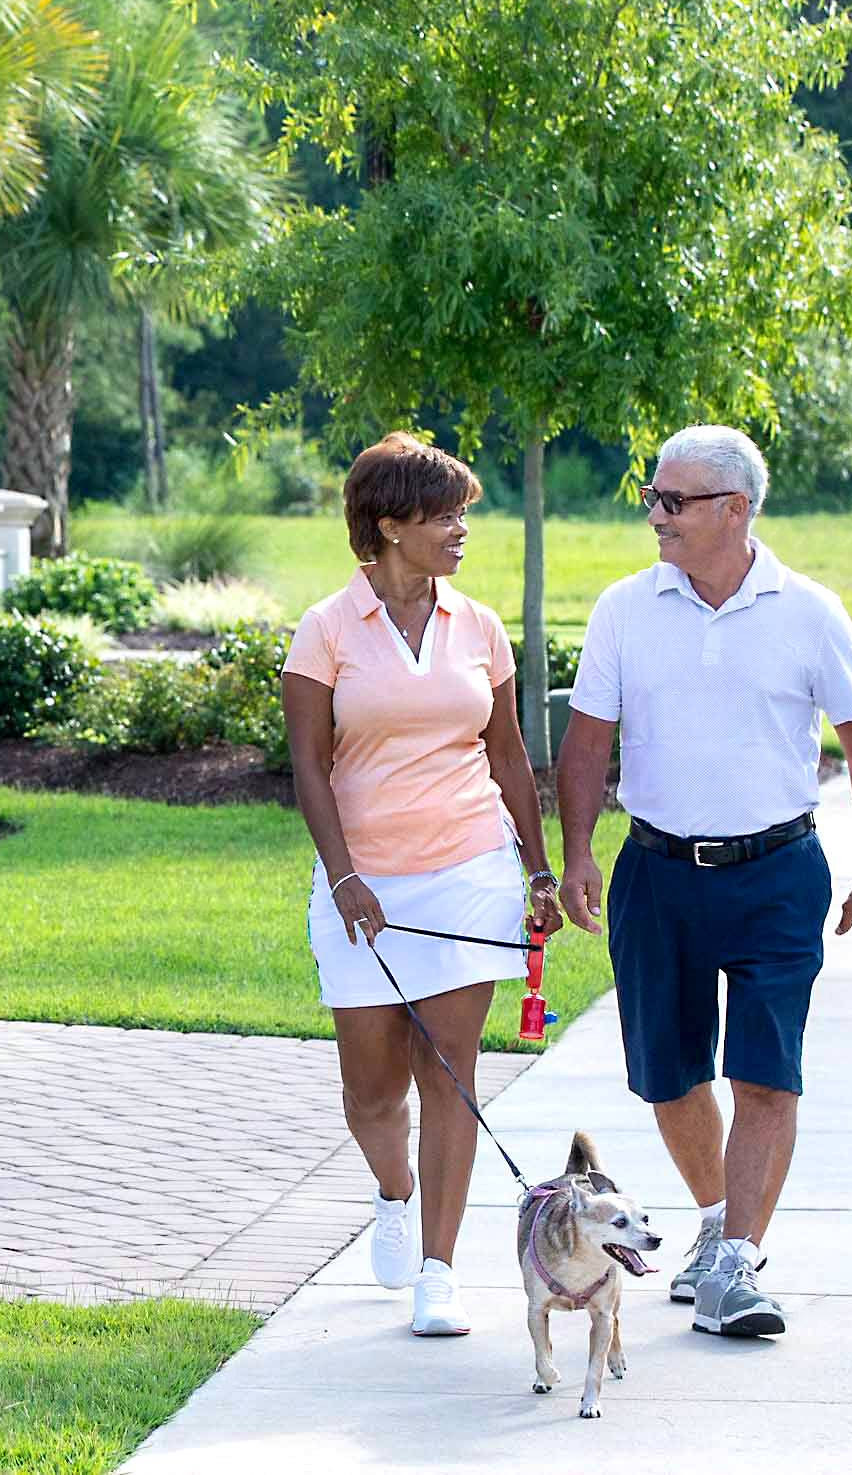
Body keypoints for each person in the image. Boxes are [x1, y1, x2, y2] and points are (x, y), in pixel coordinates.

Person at [551, 424, 852, 1341]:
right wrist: (577, 850)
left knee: (766, 1076)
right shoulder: (626, 609)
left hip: (778, 873)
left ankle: (736, 1267)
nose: (655, 515)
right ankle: (715, 1220)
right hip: (657, 874)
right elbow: (589, 738)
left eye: (674, 501)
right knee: (667, 1075)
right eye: (653, 498)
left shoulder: (810, 611)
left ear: (734, 510)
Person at [282, 432, 560, 1337]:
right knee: (371, 1090)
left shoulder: (478, 626)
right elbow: (310, 767)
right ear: (390, 524)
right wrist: (345, 873)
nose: (460, 529)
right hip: (363, 881)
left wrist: (537, 864)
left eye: (464, 512)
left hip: (466, 868)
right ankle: (393, 1191)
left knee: (450, 1072)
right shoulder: (326, 628)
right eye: (443, 514)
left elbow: (509, 755)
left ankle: (440, 1270)